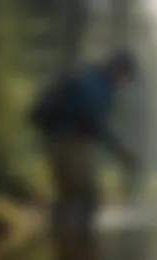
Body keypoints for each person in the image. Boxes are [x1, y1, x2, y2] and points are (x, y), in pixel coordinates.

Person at [30, 50, 139, 237]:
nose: (124, 83)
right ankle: (76, 247)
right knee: (84, 196)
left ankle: (62, 246)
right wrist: (120, 149)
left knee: (69, 196)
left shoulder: (91, 78)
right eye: (126, 77)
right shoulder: (97, 84)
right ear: (119, 69)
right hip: (70, 142)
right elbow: (90, 118)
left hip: (60, 140)